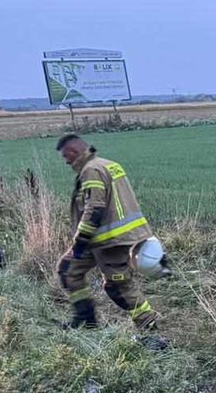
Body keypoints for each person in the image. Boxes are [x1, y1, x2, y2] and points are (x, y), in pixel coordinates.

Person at [55, 133, 160, 334]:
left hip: (111, 240)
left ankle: (150, 330)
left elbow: (94, 208)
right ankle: (87, 322)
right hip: (100, 239)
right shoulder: (107, 164)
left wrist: (80, 240)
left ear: (73, 152)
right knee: (68, 270)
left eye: (66, 157)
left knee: (119, 286)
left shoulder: (91, 171)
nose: (66, 162)